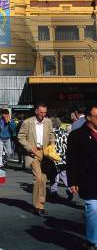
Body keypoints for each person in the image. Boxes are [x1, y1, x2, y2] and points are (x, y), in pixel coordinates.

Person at [67, 104, 97, 250]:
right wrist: (72, 181)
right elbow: (72, 160)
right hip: (88, 178)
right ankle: (92, 241)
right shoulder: (77, 136)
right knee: (93, 208)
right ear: (89, 117)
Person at [18, 103, 55, 215]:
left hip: (45, 153)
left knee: (43, 180)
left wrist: (52, 144)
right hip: (33, 153)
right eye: (41, 112)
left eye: (45, 113)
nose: (43, 115)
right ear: (36, 111)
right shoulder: (27, 122)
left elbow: (51, 134)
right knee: (38, 178)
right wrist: (30, 148)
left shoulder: (48, 122)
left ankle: (41, 205)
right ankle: (36, 205)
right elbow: (20, 137)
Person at [49, 117, 72, 201]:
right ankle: (69, 188)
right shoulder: (64, 132)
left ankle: (53, 191)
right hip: (64, 157)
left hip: (54, 157)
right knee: (64, 174)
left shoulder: (51, 133)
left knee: (54, 174)